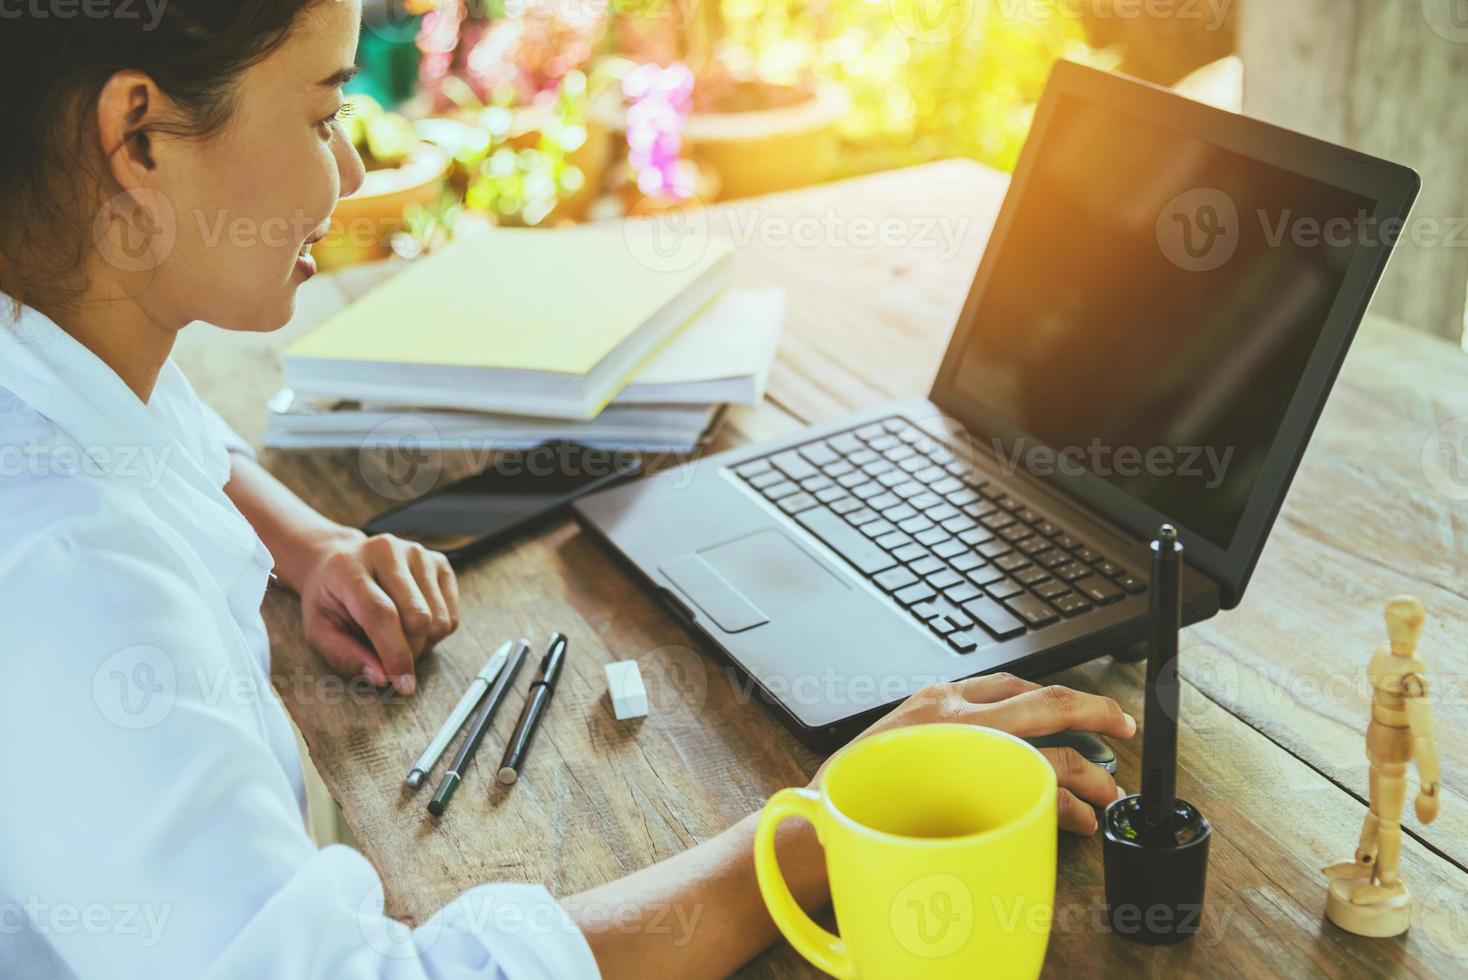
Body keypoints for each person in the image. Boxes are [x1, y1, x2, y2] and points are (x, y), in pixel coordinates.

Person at [0, 2, 1136, 976]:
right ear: (138, 138)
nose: (347, 172)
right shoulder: (65, 578)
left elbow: (161, 438)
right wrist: (802, 834)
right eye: (321, 114)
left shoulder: (56, 353)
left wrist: (306, 541)